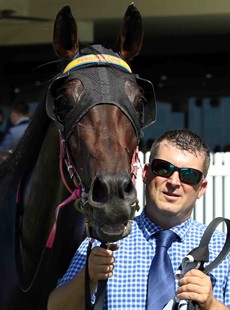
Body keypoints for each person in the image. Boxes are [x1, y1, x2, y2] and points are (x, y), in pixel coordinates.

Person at [48, 129, 230, 310]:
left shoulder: (223, 250)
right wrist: (87, 278)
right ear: (145, 173)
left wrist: (211, 304)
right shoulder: (104, 241)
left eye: (189, 175)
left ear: (201, 188)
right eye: (164, 169)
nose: (174, 182)